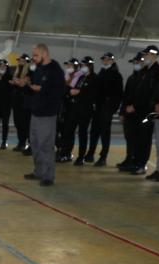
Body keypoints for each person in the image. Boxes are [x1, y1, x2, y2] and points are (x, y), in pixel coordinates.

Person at [25, 43, 66, 186]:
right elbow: (35, 88)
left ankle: (48, 176)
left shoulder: (55, 70)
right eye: (33, 55)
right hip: (36, 112)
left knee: (46, 145)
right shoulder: (39, 69)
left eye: (36, 55)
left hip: (47, 114)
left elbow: (60, 91)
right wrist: (28, 85)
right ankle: (39, 171)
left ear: (44, 54)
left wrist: (41, 89)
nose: (34, 58)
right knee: (35, 143)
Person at [125, 45, 159, 175]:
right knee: (137, 136)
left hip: (149, 112)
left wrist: (136, 106)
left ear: (154, 55)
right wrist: (132, 105)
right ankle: (136, 162)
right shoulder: (144, 71)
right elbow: (137, 91)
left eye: (146, 54)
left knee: (144, 137)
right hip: (138, 111)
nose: (144, 57)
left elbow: (153, 94)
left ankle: (141, 164)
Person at [85, 52, 123, 166]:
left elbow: (119, 94)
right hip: (98, 106)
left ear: (112, 61)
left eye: (107, 59)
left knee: (104, 132)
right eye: (103, 59)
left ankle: (103, 157)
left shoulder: (116, 75)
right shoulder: (101, 73)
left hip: (107, 106)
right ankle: (90, 153)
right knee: (94, 131)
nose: (105, 61)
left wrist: (112, 108)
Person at [62, 56, 98, 166]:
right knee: (69, 130)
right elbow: (71, 88)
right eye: (82, 65)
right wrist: (71, 92)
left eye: (85, 65)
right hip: (75, 107)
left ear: (90, 66)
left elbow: (93, 94)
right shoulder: (81, 77)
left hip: (86, 109)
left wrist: (79, 92)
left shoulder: (94, 78)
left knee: (82, 133)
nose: (83, 67)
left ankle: (81, 156)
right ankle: (66, 153)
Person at [118, 53, 144, 169]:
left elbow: (144, 96)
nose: (136, 64)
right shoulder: (131, 78)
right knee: (129, 137)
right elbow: (125, 96)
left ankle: (136, 161)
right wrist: (122, 112)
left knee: (137, 139)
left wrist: (135, 107)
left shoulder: (144, 78)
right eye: (135, 62)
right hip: (128, 113)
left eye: (138, 62)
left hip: (138, 114)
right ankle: (129, 159)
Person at [10, 53, 32, 153]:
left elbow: (22, 84)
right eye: (19, 60)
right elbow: (16, 82)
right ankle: (21, 142)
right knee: (17, 122)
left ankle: (29, 143)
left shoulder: (30, 71)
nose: (20, 62)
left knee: (26, 123)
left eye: (22, 60)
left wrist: (17, 81)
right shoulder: (16, 71)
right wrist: (17, 81)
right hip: (17, 100)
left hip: (25, 101)